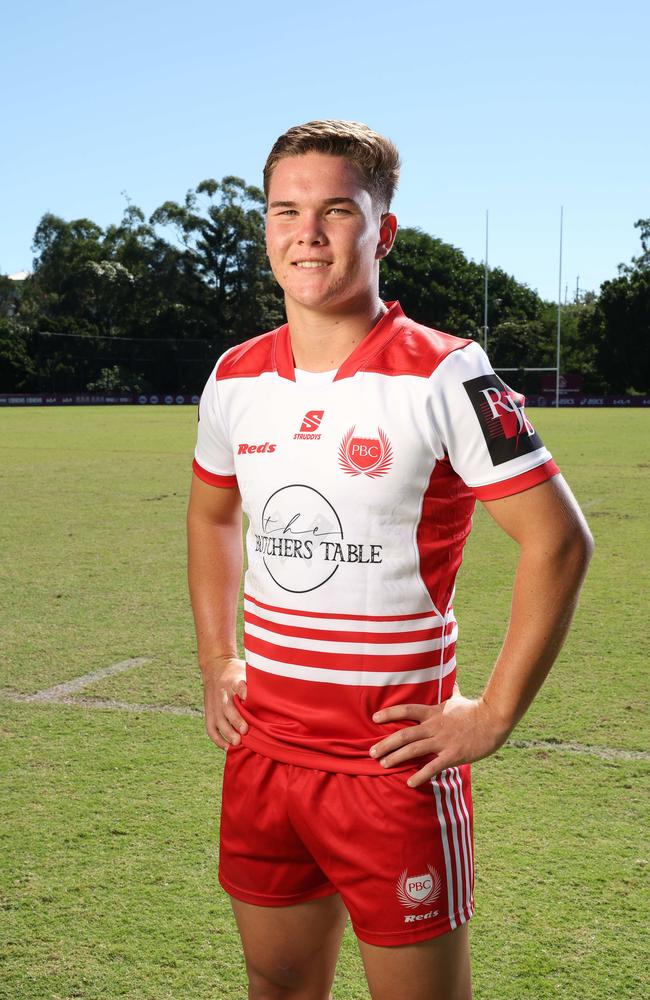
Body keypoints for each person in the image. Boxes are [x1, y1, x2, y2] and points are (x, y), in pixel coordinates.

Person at [187, 120, 593, 1000]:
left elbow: (558, 542)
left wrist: (493, 715)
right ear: (265, 226)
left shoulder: (446, 372)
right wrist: (219, 658)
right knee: (277, 982)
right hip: (264, 752)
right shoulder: (235, 377)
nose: (308, 233)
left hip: (390, 767)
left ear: (385, 230)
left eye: (337, 210)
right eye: (286, 211)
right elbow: (213, 517)